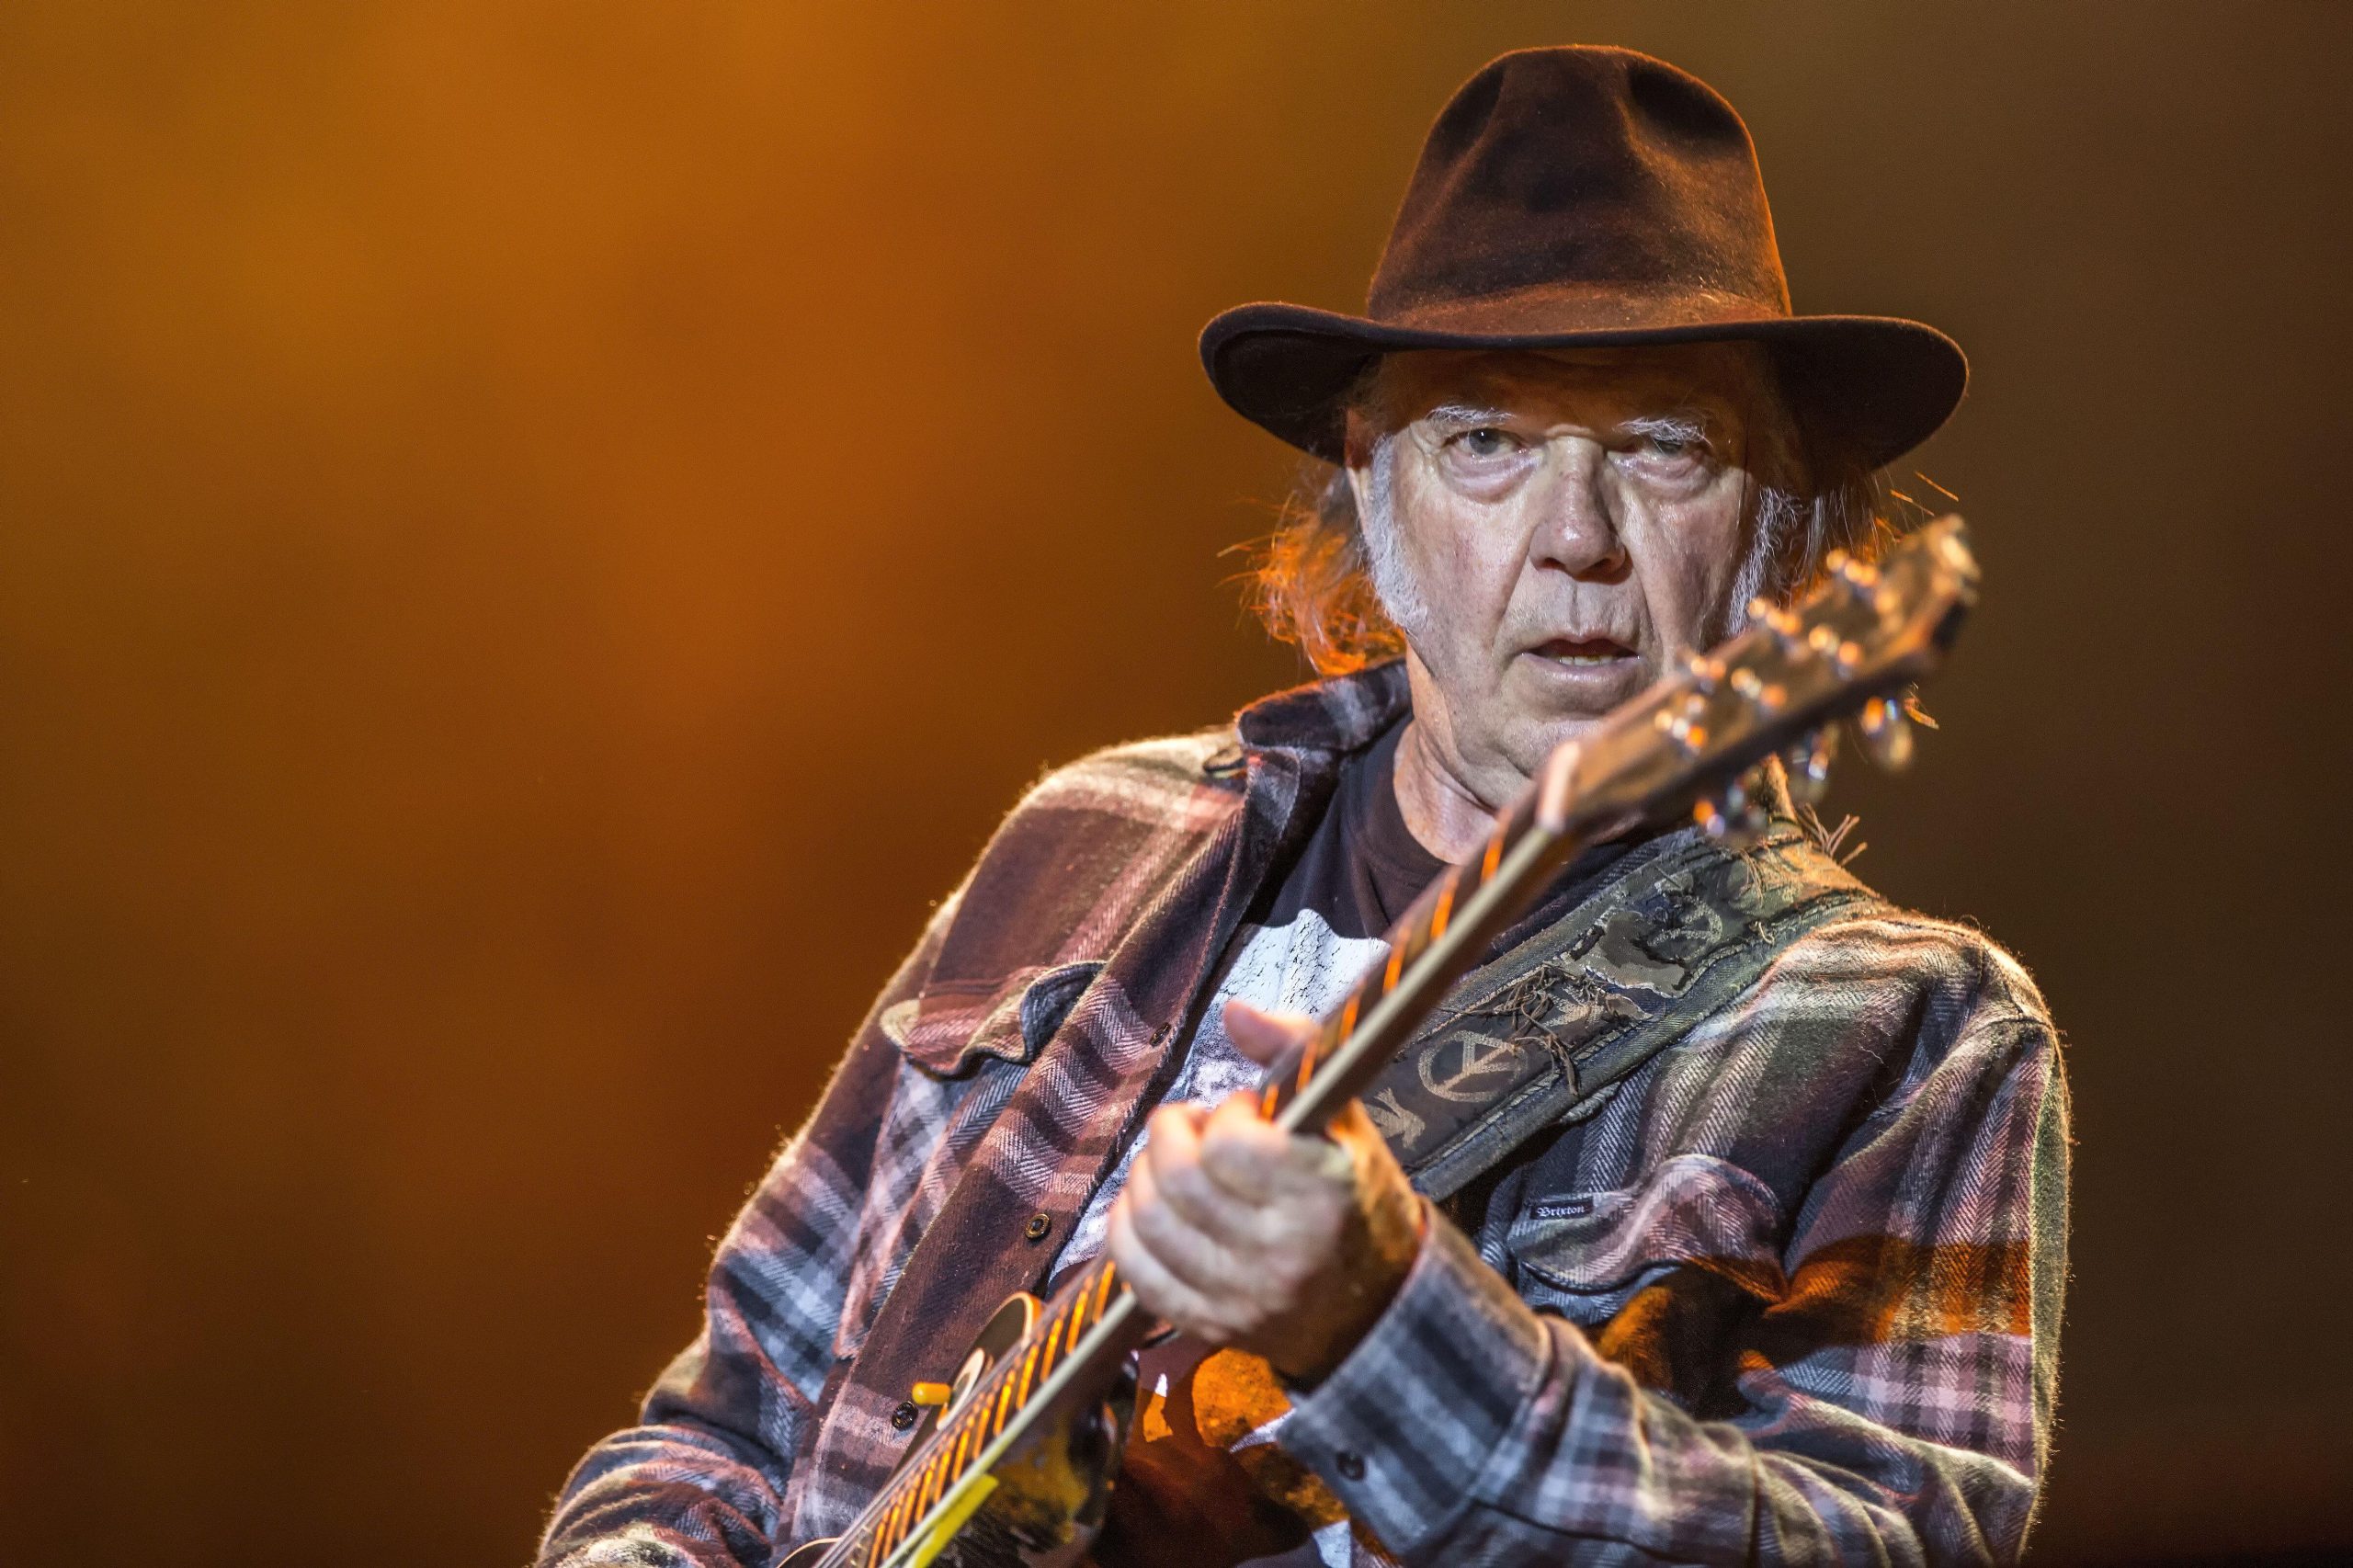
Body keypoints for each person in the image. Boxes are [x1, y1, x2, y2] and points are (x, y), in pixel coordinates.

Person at [539, 46, 2067, 1568]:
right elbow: (725, 1420)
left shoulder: (1909, 1028)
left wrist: (1390, 1324)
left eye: (1664, 446)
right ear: (1372, 474)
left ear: (1779, 519)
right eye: (1489, 441)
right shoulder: (1091, 843)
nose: (1578, 538)